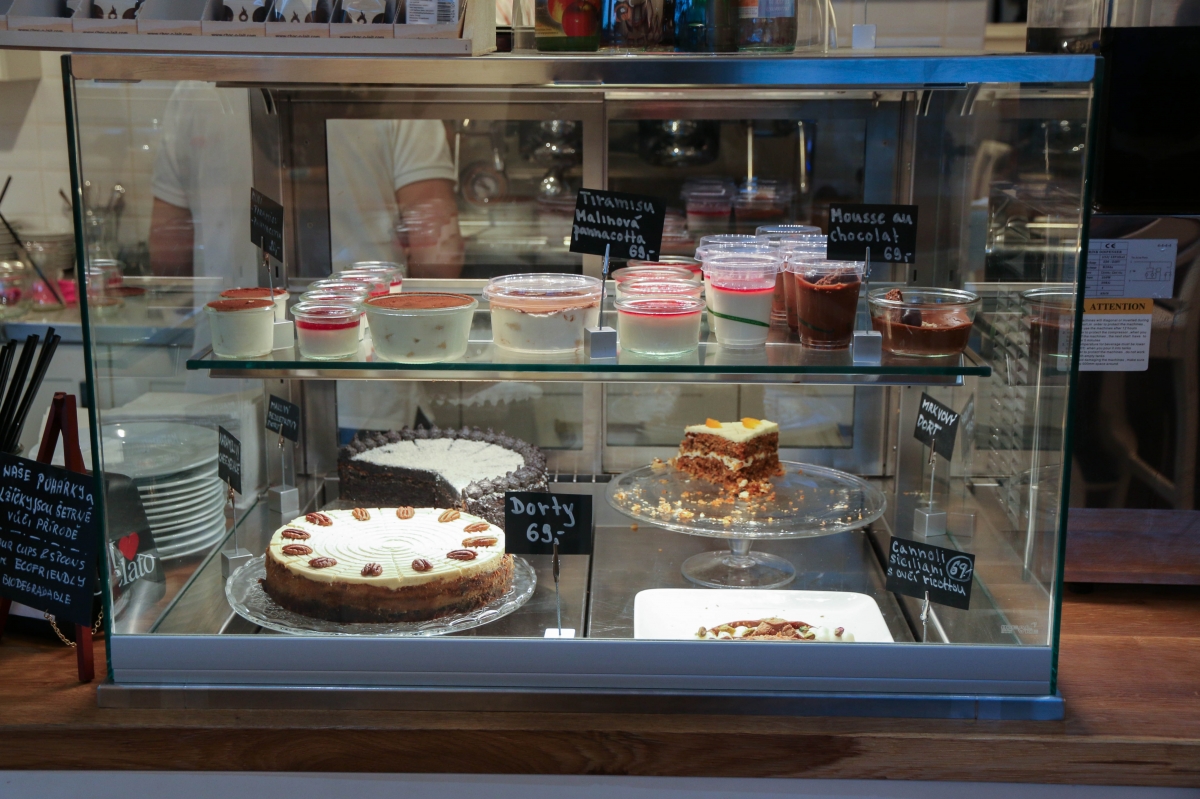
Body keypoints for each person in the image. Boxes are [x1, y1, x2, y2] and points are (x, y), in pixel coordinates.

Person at [148, 82, 464, 281]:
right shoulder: (392, 77)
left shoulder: (196, 89)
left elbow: (168, 252)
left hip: (227, 340)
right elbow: (436, 255)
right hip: (365, 339)